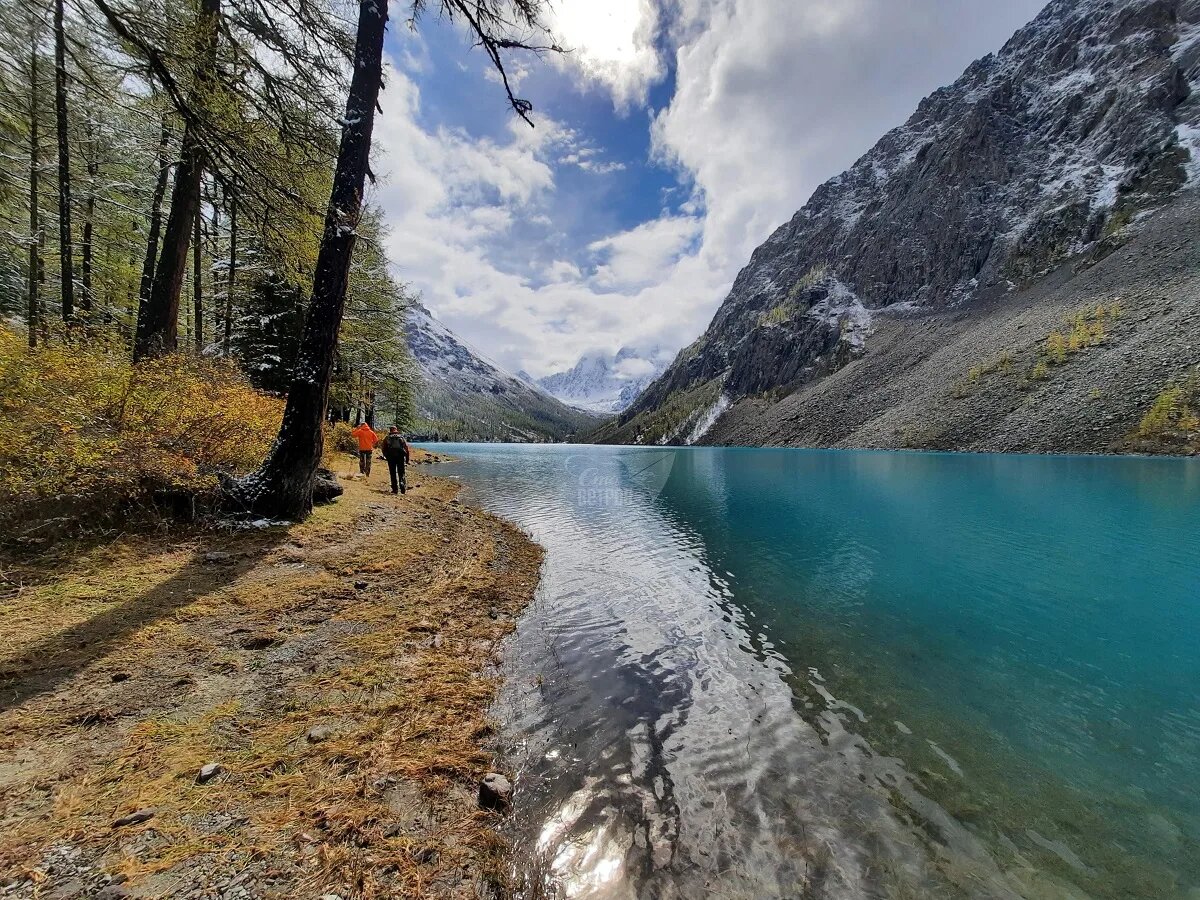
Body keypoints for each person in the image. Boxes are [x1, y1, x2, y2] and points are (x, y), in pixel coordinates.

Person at [381, 426, 411, 494]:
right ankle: (402, 484)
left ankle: (395, 489)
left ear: (390, 430)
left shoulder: (387, 438)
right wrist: (407, 459)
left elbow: (383, 448)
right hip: (400, 457)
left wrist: (386, 456)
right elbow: (406, 448)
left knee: (392, 473)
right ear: (396, 430)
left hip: (391, 457)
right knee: (401, 472)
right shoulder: (401, 437)